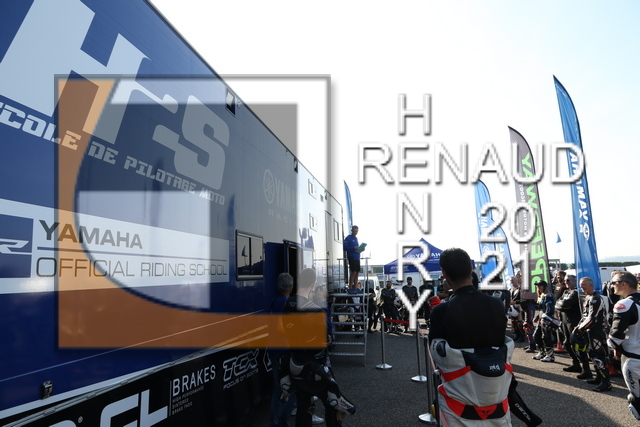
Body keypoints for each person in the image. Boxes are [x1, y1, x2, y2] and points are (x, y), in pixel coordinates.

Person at [429, 248, 514, 425]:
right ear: (470, 269)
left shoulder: (441, 312)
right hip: (497, 398)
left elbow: (436, 356)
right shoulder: (496, 305)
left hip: (458, 402)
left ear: (444, 273)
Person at [280, 268, 355, 426]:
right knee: (332, 403)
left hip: (295, 362)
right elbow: (325, 340)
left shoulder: (289, 303)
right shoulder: (313, 309)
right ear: (313, 284)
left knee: (304, 406)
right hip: (315, 365)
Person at [607, 271, 640, 420]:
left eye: (614, 282)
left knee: (636, 400)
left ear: (624, 284)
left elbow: (616, 335)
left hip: (633, 359)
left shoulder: (624, 304)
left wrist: (613, 346)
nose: (611, 286)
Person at [269, 273, 297, 427]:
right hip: (282, 350)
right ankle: (282, 420)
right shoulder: (285, 303)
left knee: (277, 388)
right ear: (290, 287)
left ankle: (274, 422)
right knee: (294, 388)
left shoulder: (274, 301)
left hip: (273, 349)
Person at [574, 277, 611, 392]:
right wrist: (578, 327)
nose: (582, 287)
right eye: (580, 284)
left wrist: (580, 329)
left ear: (591, 285)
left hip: (597, 331)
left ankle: (606, 382)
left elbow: (592, 318)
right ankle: (599, 377)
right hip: (589, 331)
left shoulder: (596, 298)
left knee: (598, 356)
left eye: (584, 284)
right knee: (592, 354)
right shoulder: (588, 297)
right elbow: (585, 317)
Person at [555, 274, 582, 373]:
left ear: (575, 281)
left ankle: (584, 366)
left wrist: (561, 305)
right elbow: (557, 302)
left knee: (576, 344)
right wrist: (561, 305)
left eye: (568, 280)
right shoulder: (566, 291)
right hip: (564, 321)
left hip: (573, 321)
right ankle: (576, 363)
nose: (566, 282)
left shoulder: (576, 293)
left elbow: (566, 304)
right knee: (567, 343)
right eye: (565, 280)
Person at [531, 280, 558, 363]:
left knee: (546, 337)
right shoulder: (541, 296)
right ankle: (541, 352)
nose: (538, 287)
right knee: (536, 335)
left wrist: (545, 317)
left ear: (544, 287)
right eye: (537, 286)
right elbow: (541, 309)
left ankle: (550, 355)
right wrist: (537, 317)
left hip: (547, 320)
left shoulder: (548, 296)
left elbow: (549, 309)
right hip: (541, 319)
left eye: (540, 286)